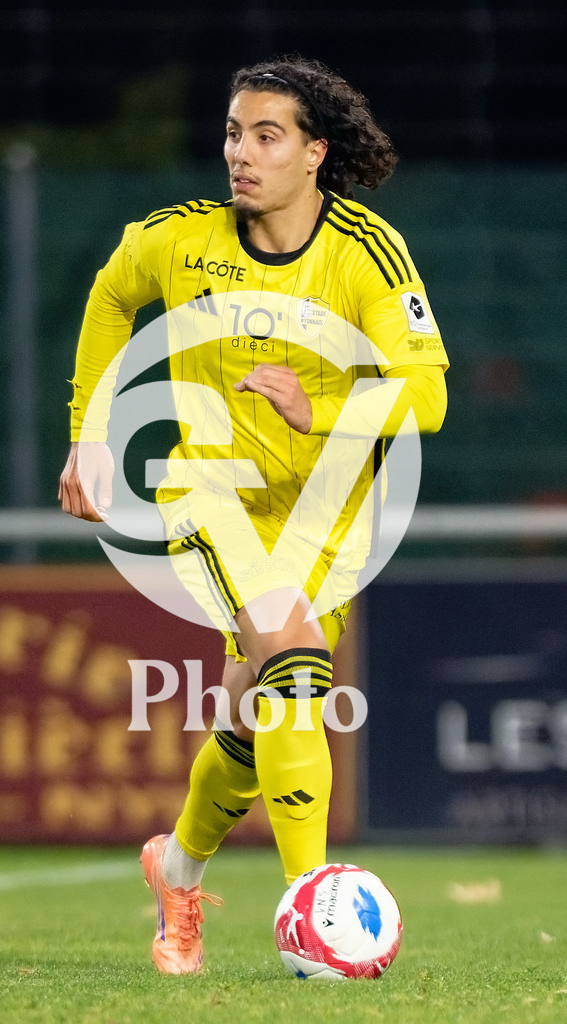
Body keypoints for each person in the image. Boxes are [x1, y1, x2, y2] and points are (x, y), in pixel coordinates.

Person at [59, 55, 449, 974]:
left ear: (314, 153)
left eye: (267, 135)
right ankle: (316, 909)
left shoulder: (366, 252)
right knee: (294, 655)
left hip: (329, 517)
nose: (241, 153)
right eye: (234, 133)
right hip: (212, 494)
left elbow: (427, 394)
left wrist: (329, 411)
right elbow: (113, 297)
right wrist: (90, 433)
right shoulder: (178, 239)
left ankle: (178, 869)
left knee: (253, 714)